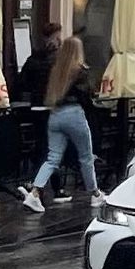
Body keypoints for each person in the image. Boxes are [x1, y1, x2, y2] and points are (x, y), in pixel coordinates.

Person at [23, 33, 102, 215]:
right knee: (86, 156)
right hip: (74, 114)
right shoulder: (80, 71)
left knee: (52, 158)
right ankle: (95, 193)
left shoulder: (56, 70)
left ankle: (35, 193)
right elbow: (87, 95)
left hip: (55, 115)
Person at [15, 20, 61, 108]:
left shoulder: (34, 59)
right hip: (43, 101)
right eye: (56, 38)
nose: (59, 42)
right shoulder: (36, 60)